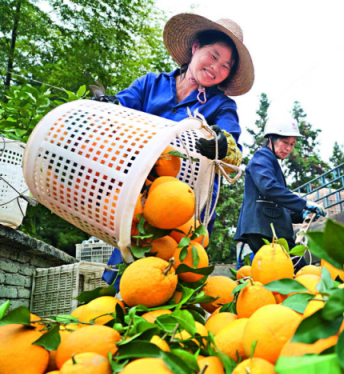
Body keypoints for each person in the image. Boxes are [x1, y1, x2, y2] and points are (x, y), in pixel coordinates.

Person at [101, 14, 254, 287]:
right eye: (213, 55)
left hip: (187, 210)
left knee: (177, 281)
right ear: (195, 47)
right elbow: (120, 110)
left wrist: (222, 144)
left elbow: (233, 151)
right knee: (129, 283)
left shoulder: (221, 106)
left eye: (225, 66)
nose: (216, 67)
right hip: (138, 202)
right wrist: (106, 107)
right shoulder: (151, 84)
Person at [234, 119, 327, 262]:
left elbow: (276, 204)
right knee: (295, 270)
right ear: (270, 139)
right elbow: (269, 188)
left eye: (292, 144)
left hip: (269, 228)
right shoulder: (262, 156)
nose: (289, 148)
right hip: (263, 229)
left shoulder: (270, 161)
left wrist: (301, 213)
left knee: (284, 274)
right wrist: (304, 203)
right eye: (285, 142)